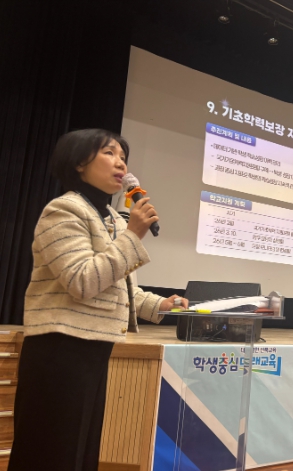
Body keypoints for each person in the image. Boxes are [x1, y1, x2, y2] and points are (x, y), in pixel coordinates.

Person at [8, 129, 188, 471]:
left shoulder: (113, 219)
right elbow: (82, 280)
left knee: (81, 451)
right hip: (59, 348)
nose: (121, 163)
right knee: (51, 451)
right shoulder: (64, 210)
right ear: (79, 162)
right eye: (109, 153)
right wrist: (133, 235)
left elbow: (117, 286)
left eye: (123, 157)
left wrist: (162, 304)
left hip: (93, 348)